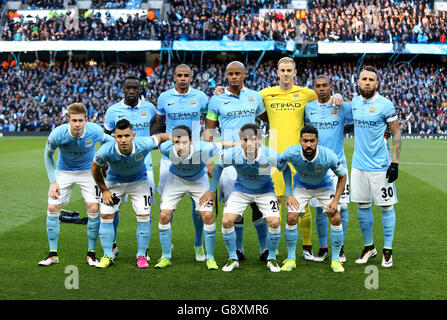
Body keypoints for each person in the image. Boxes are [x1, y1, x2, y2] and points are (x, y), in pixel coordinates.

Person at [259, 57, 344, 261]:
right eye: (282, 70)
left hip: (300, 156)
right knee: (275, 203)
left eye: (289, 70)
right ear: (277, 72)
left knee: (301, 205)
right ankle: (274, 248)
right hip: (276, 156)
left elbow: (326, 97)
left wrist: (338, 95)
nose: (286, 73)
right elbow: (246, 98)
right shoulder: (266, 94)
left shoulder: (306, 94)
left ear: (295, 73)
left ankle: (306, 246)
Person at [200, 123, 293, 272]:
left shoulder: (270, 154)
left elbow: (286, 169)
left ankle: (271, 258)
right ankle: (233, 257)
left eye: (253, 139)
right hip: (241, 190)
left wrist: (289, 193)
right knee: (226, 221)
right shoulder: (233, 153)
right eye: (245, 139)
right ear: (241, 140)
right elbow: (218, 167)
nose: (249, 143)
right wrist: (211, 190)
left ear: (259, 140)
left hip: (265, 191)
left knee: (274, 222)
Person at [204, 61, 269, 262]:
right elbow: (208, 131)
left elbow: (270, 119)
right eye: (230, 73)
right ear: (225, 75)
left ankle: (264, 249)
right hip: (230, 160)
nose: (233, 77)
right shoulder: (216, 100)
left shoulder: (254, 97)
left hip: (256, 156)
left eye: (237, 73)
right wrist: (207, 160)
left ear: (244, 74)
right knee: (234, 206)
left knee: (259, 205)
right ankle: (239, 250)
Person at [39, 102, 115, 267]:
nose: (78, 124)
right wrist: (53, 181)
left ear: (86, 120)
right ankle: (53, 254)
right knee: (52, 208)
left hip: (88, 172)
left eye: (81, 120)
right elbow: (48, 155)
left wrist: (103, 161)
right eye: (74, 120)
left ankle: (91, 254)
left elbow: (111, 143)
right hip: (63, 171)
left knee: (93, 208)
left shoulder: (94, 130)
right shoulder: (58, 134)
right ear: (68, 120)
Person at [91, 119, 170, 269]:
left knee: (144, 216)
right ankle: (108, 255)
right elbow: (95, 168)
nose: (123, 140)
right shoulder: (106, 150)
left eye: (127, 136)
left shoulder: (144, 143)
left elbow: (159, 137)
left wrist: (175, 137)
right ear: (115, 137)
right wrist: (104, 190)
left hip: (139, 182)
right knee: (106, 215)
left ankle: (141, 255)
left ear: (133, 135)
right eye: (119, 136)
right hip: (114, 183)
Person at [154, 125, 234, 270]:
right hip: (176, 179)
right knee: (164, 216)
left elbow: (222, 145)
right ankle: (166, 256)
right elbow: (157, 141)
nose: (180, 146)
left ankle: (209, 257)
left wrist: (244, 145)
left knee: (207, 216)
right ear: (172, 142)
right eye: (177, 142)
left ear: (191, 141)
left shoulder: (203, 148)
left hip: (198, 180)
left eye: (184, 142)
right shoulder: (166, 148)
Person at [152, 64, 209, 261]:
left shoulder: (201, 97)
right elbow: (158, 123)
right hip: (170, 155)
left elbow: (212, 119)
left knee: (199, 207)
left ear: (191, 77)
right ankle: (168, 243)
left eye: (186, 75)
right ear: (174, 78)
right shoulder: (164, 98)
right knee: (166, 205)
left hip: (194, 154)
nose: (183, 78)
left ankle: (199, 245)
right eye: (179, 75)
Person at [351, 66, 401, 268]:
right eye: (364, 78)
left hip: (380, 165)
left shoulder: (385, 105)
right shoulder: (354, 103)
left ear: (376, 83)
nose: (367, 82)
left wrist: (395, 163)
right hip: (358, 165)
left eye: (371, 79)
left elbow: (396, 132)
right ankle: (369, 247)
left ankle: (387, 251)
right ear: (358, 82)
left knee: (386, 206)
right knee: (363, 205)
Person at [103, 74, 158, 258]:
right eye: (129, 88)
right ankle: (112, 244)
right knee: (113, 208)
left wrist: (144, 142)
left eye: (135, 88)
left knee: (145, 210)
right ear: (123, 89)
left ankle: (145, 250)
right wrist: (105, 160)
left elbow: (158, 123)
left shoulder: (149, 108)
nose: (132, 91)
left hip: (145, 167)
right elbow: (106, 135)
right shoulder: (113, 110)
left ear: (140, 89)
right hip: (118, 168)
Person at [281, 124, 347, 273]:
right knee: (291, 217)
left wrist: (335, 200)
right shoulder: (292, 152)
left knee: (335, 217)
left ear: (317, 141)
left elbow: (342, 176)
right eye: (305, 141)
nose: (308, 144)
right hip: (301, 186)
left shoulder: (328, 155)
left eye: (312, 141)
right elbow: (282, 165)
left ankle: (336, 259)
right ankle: (291, 259)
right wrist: (289, 193)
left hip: (324, 186)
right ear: (300, 141)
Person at [304, 75, 352, 263]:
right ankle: (323, 247)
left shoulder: (341, 106)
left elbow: (360, 118)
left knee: (344, 207)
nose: (322, 89)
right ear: (314, 88)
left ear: (331, 87)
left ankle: (339, 248)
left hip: (338, 164)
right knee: (319, 209)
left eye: (325, 85)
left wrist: (342, 97)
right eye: (318, 86)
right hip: (317, 166)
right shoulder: (309, 108)